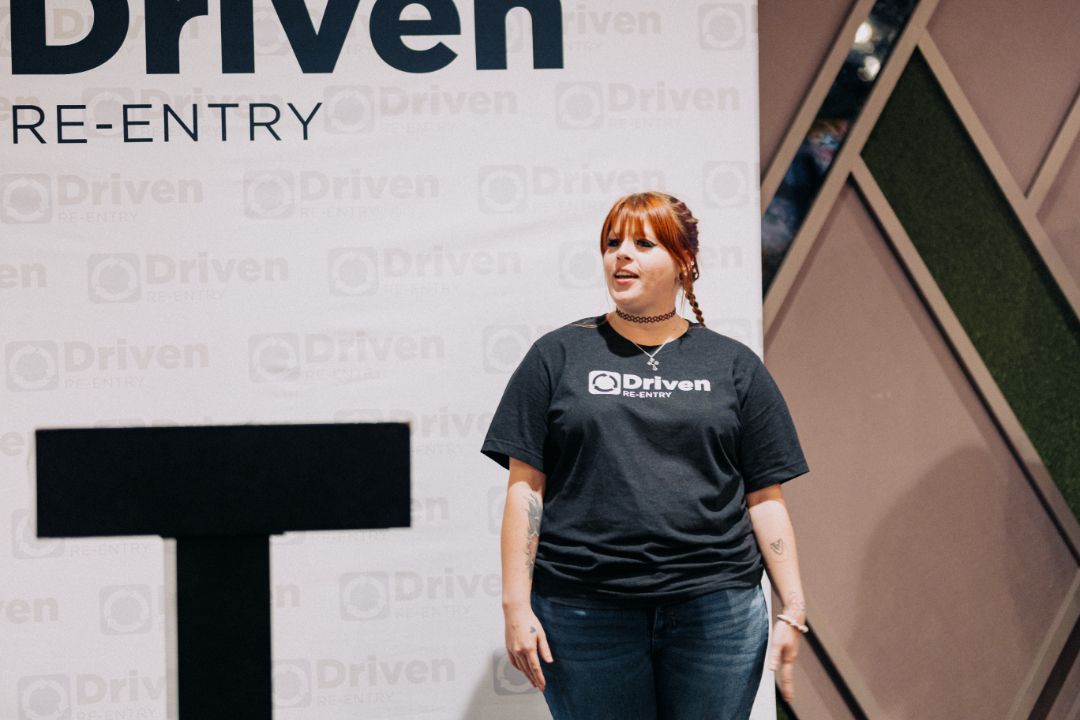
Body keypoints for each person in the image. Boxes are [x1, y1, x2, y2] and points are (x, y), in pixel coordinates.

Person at [480, 191, 811, 720]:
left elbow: (765, 494)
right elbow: (526, 489)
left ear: (684, 261)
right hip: (583, 610)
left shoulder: (733, 364)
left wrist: (792, 607)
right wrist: (515, 605)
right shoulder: (557, 355)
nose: (621, 255)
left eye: (642, 242)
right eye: (612, 243)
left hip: (717, 609)